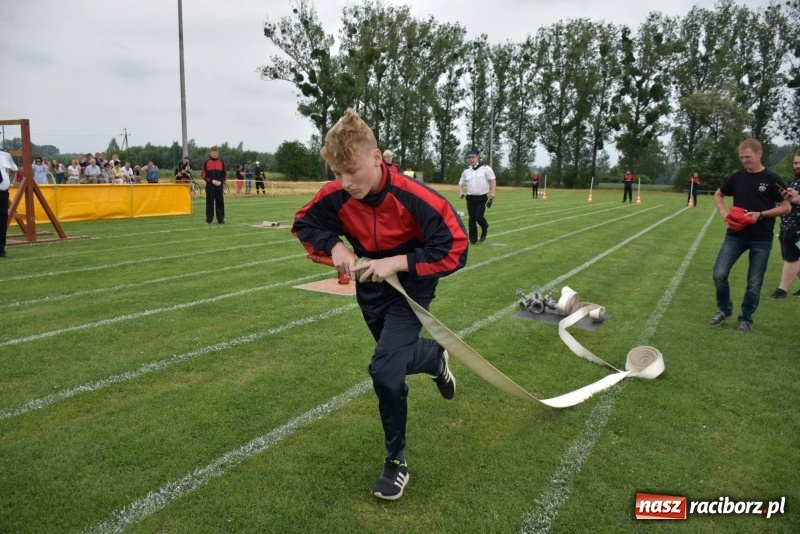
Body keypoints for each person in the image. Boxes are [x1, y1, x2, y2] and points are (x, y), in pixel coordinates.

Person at [292, 108, 467, 501]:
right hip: (369, 291)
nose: (345, 182)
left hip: (412, 291)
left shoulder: (416, 197)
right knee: (395, 360)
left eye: (352, 171)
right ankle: (434, 359)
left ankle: (397, 462)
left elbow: (456, 248)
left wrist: (399, 262)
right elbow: (305, 223)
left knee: (385, 371)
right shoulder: (336, 193)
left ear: (376, 158)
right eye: (337, 173)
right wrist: (334, 244)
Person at [707, 138, 790, 332]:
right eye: (741, 157)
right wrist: (724, 213)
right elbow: (718, 194)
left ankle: (746, 318)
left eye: (748, 157)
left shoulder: (773, 179)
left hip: (761, 239)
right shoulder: (737, 177)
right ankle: (724, 309)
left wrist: (760, 215)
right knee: (719, 273)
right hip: (735, 235)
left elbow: (786, 208)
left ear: (759, 154)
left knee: (754, 282)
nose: (744, 161)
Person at [767, 149, 800, 299]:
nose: (797, 166)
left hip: (797, 228)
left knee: (792, 256)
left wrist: (796, 199)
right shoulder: (795, 180)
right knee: (794, 254)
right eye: (795, 163)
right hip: (789, 223)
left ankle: (782, 290)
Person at [458, 149, 496, 244]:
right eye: (469, 158)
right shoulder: (466, 171)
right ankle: (473, 239)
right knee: (471, 218)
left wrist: (493, 191)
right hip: (470, 197)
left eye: (473, 157)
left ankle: (485, 227)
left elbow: (492, 180)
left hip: (482, 197)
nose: (471, 159)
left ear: (478, 157)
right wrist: (461, 191)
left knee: (478, 217)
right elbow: (461, 182)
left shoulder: (485, 169)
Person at [0, 149, 19, 258]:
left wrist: (8, 183)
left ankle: (1, 249)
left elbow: (14, 169)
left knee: (2, 222)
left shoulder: (5, 155)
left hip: (2, 194)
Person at [202, 146, 226, 224]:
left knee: (220, 203)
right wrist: (211, 180)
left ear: (218, 153)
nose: (215, 154)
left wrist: (221, 182)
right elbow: (203, 174)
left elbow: (224, 174)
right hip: (210, 186)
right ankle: (209, 220)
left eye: (216, 153)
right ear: (210, 153)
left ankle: (221, 219)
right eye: (213, 153)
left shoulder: (221, 162)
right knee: (209, 203)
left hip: (219, 186)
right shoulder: (206, 162)